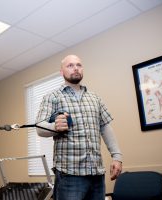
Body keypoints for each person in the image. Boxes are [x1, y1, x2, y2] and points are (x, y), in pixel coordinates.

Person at [36, 55, 122, 200]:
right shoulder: (52, 97)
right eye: (70, 65)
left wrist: (117, 156)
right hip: (69, 176)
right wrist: (54, 126)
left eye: (79, 65)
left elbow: (105, 127)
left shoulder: (95, 98)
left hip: (97, 175)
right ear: (61, 72)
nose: (75, 68)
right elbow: (40, 128)